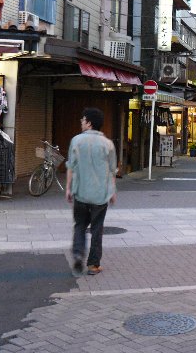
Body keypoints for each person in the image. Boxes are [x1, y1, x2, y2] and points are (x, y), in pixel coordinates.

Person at [66, 108, 117, 276]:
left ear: (89, 123)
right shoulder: (108, 144)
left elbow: (71, 167)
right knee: (97, 228)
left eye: (82, 120)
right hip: (100, 194)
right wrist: (113, 191)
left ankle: (78, 253)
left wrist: (68, 188)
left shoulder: (76, 141)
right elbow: (112, 170)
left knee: (80, 225)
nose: (81, 122)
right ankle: (93, 265)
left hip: (80, 192)